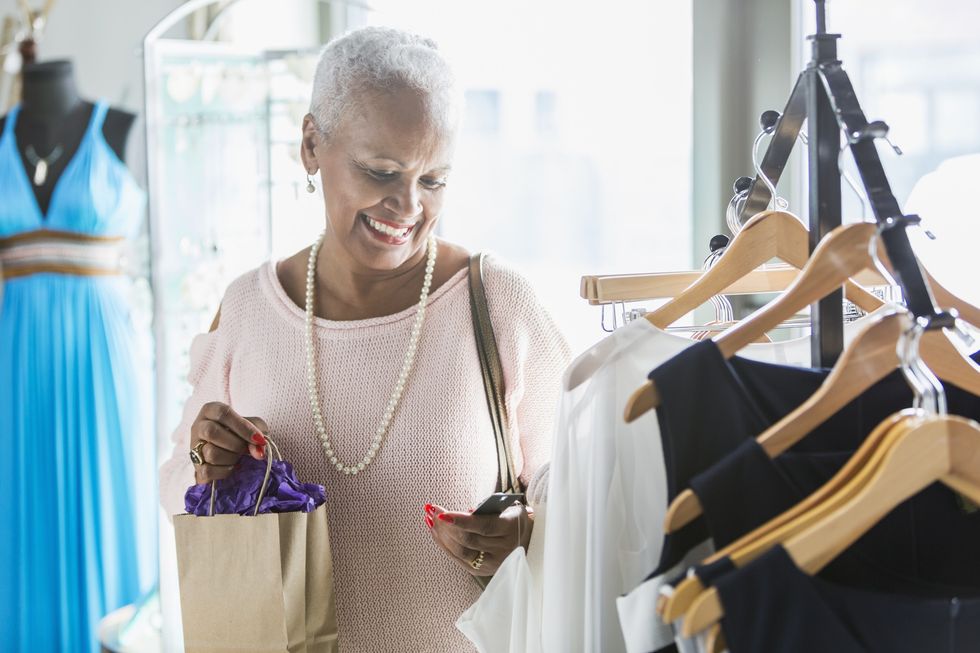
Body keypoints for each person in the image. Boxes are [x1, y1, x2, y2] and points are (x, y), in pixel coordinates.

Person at [159, 26, 570, 651]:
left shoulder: (499, 305)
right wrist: (203, 459)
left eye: (433, 180)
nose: (407, 206)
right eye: (381, 171)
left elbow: (585, 498)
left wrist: (531, 531)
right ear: (310, 144)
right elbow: (176, 493)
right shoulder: (249, 310)